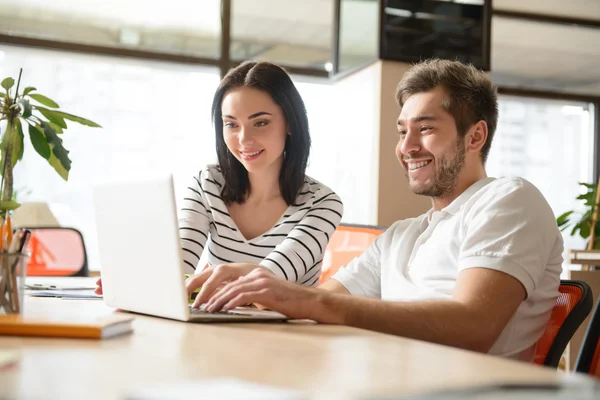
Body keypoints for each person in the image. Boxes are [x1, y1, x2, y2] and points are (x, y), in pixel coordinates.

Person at [194, 59, 563, 361]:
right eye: (403, 132)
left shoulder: (508, 199)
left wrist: (299, 297)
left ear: (476, 137)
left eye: (426, 129)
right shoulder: (400, 236)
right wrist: (265, 292)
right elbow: (322, 306)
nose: (407, 147)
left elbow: (474, 327)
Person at [95, 61, 343, 296]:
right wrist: (144, 282)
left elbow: (270, 279)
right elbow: (180, 261)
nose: (244, 139)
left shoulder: (323, 203)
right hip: (218, 330)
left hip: (293, 336)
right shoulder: (208, 183)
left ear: (290, 123)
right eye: (231, 124)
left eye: (261, 122)